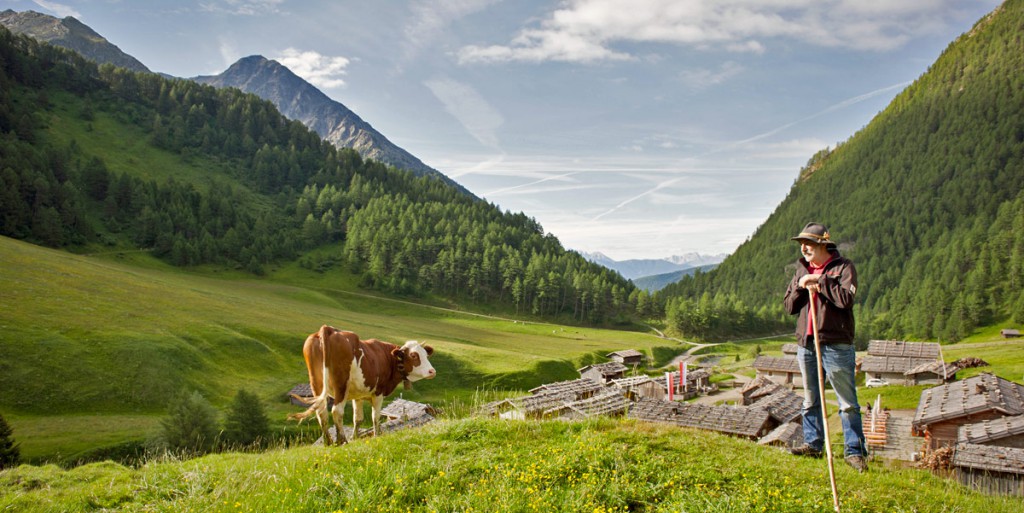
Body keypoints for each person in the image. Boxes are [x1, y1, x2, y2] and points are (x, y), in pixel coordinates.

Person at [783, 222, 868, 473]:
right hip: (807, 345)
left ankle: (854, 452)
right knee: (810, 399)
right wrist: (801, 285)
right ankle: (813, 443)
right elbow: (789, 306)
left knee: (847, 402)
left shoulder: (843, 268)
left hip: (836, 344)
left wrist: (819, 281)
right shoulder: (801, 270)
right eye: (801, 244)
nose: (804, 248)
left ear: (823, 244)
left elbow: (845, 299)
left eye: (808, 243)